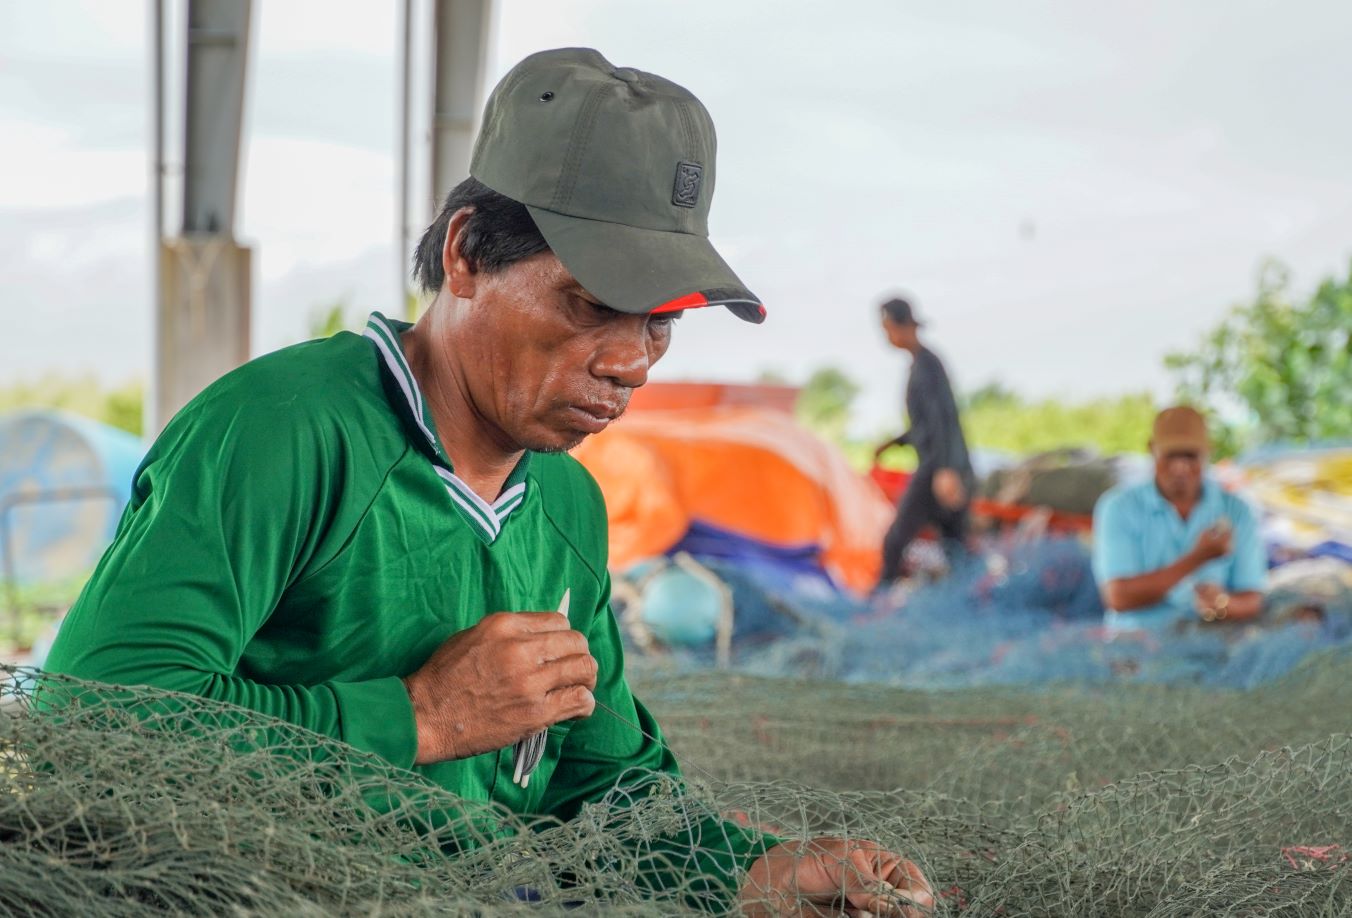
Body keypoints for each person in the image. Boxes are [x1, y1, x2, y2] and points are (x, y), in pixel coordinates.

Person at [44, 49, 933, 916]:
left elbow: (605, 788)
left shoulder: (568, 502)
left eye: (661, 324)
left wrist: (758, 871)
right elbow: (94, 722)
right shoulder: (289, 429)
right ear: (466, 253)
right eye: (589, 304)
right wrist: (420, 717)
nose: (631, 364)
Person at [1092, 406, 1266, 633]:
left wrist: (1221, 604)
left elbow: (1251, 598)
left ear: (1207, 453)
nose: (1180, 467)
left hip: (1212, 645)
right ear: (1152, 450)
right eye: (1171, 455)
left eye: (1190, 456)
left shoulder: (1237, 510)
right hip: (1138, 646)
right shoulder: (1118, 508)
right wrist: (1198, 557)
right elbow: (1118, 598)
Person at [874, 296, 974, 587]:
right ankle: (966, 599)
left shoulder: (928, 365)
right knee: (954, 545)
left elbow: (944, 419)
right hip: (942, 465)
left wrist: (947, 470)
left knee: (895, 541)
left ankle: (878, 600)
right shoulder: (920, 364)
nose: (887, 336)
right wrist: (894, 443)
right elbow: (924, 426)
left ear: (898, 326)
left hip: (938, 469)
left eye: (887, 328)